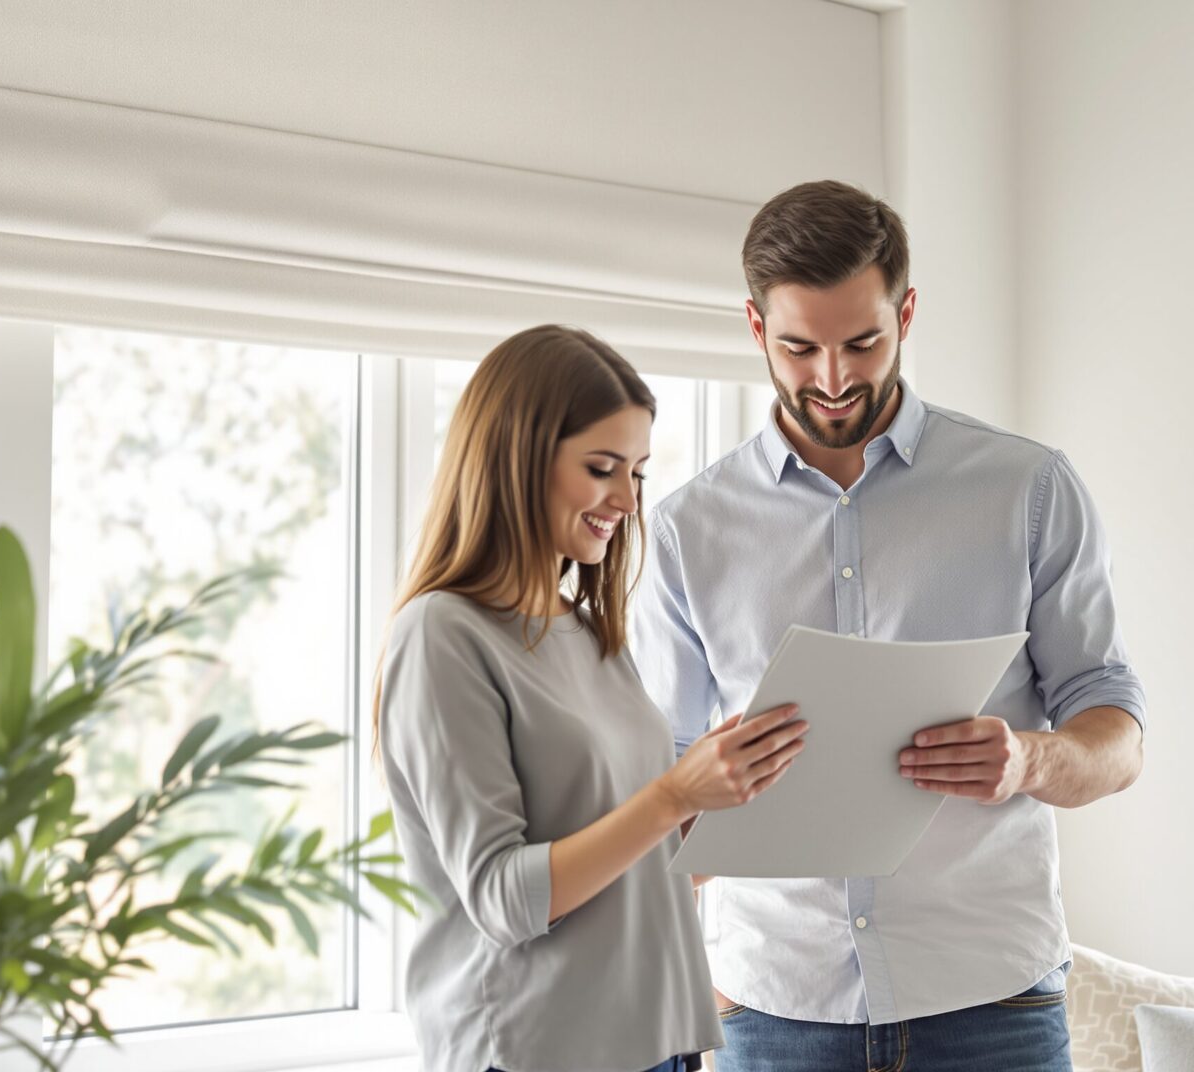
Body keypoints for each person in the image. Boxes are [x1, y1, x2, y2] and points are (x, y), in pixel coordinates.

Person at [633, 182, 1147, 1071]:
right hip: (775, 1010)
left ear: (905, 313)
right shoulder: (686, 532)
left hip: (993, 1004)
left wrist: (1028, 759)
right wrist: (697, 795)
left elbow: (1117, 736)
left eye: (862, 342)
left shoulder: (1026, 490)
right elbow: (657, 812)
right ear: (756, 330)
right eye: (799, 347)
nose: (832, 379)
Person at [374, 325, 807, 1072]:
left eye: (637, 473)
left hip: (656, 1044)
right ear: (516, 460)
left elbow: (625, 860)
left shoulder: (584, 630)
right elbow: (505, 900)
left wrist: (737, 806)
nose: (628, 502)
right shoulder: (443, 636)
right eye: (603, 468)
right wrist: (674, 795)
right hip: (536, 1051)